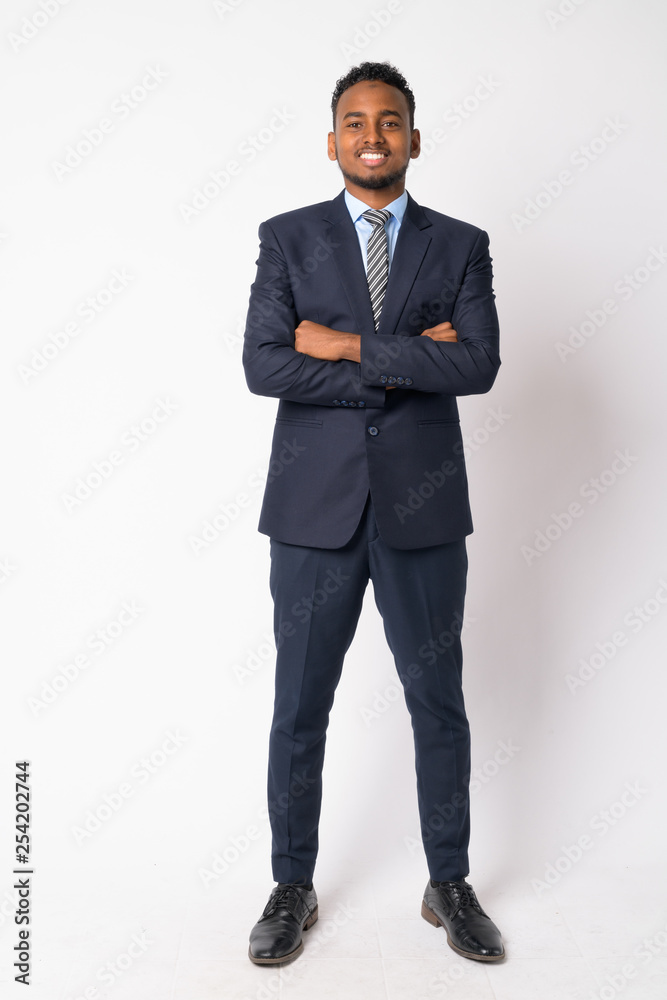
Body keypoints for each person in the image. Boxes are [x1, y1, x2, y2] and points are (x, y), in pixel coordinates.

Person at [242, 60, 505, 966]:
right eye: (355, 122)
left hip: (422, 513)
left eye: (388, 121)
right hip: (313, 513)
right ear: (332, 141)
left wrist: (348, 344)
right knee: (297, 708)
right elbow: (266, 366)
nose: (372, 136)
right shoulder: (287, 239)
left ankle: (449, 882)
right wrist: (404, 355)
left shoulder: (459, 243)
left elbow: (475, 366)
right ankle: (290, 884)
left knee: (438, 702)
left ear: (413, 137)